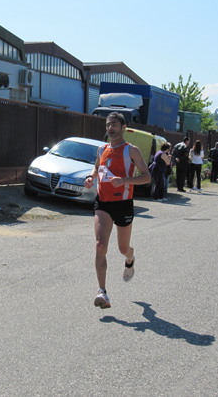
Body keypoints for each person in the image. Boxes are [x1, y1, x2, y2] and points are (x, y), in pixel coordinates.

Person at [84, 112, 151, 309]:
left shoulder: (132, 150)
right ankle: (102, 292)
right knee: (100, 245)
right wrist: (90, 177)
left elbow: (146, 177)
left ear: (123, 127)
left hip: (123, 203)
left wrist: (124, 181)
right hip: (103, 202)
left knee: (123, 248)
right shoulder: (101, 149)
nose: (110, 128)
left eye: (114, 124)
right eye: (107, 125)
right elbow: (97, 168)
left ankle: (130, 259)